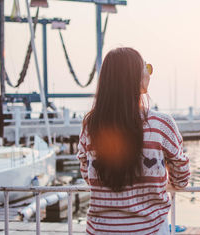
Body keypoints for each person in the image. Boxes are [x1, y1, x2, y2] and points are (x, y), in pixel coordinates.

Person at [77, 47, 190, 234]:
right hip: (150, 229)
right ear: (134, 78)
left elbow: (87, 173)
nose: (149, 72)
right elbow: (181, 178)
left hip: (102, 230)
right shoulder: (161, 124)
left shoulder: (91, 124)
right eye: (146, 67)